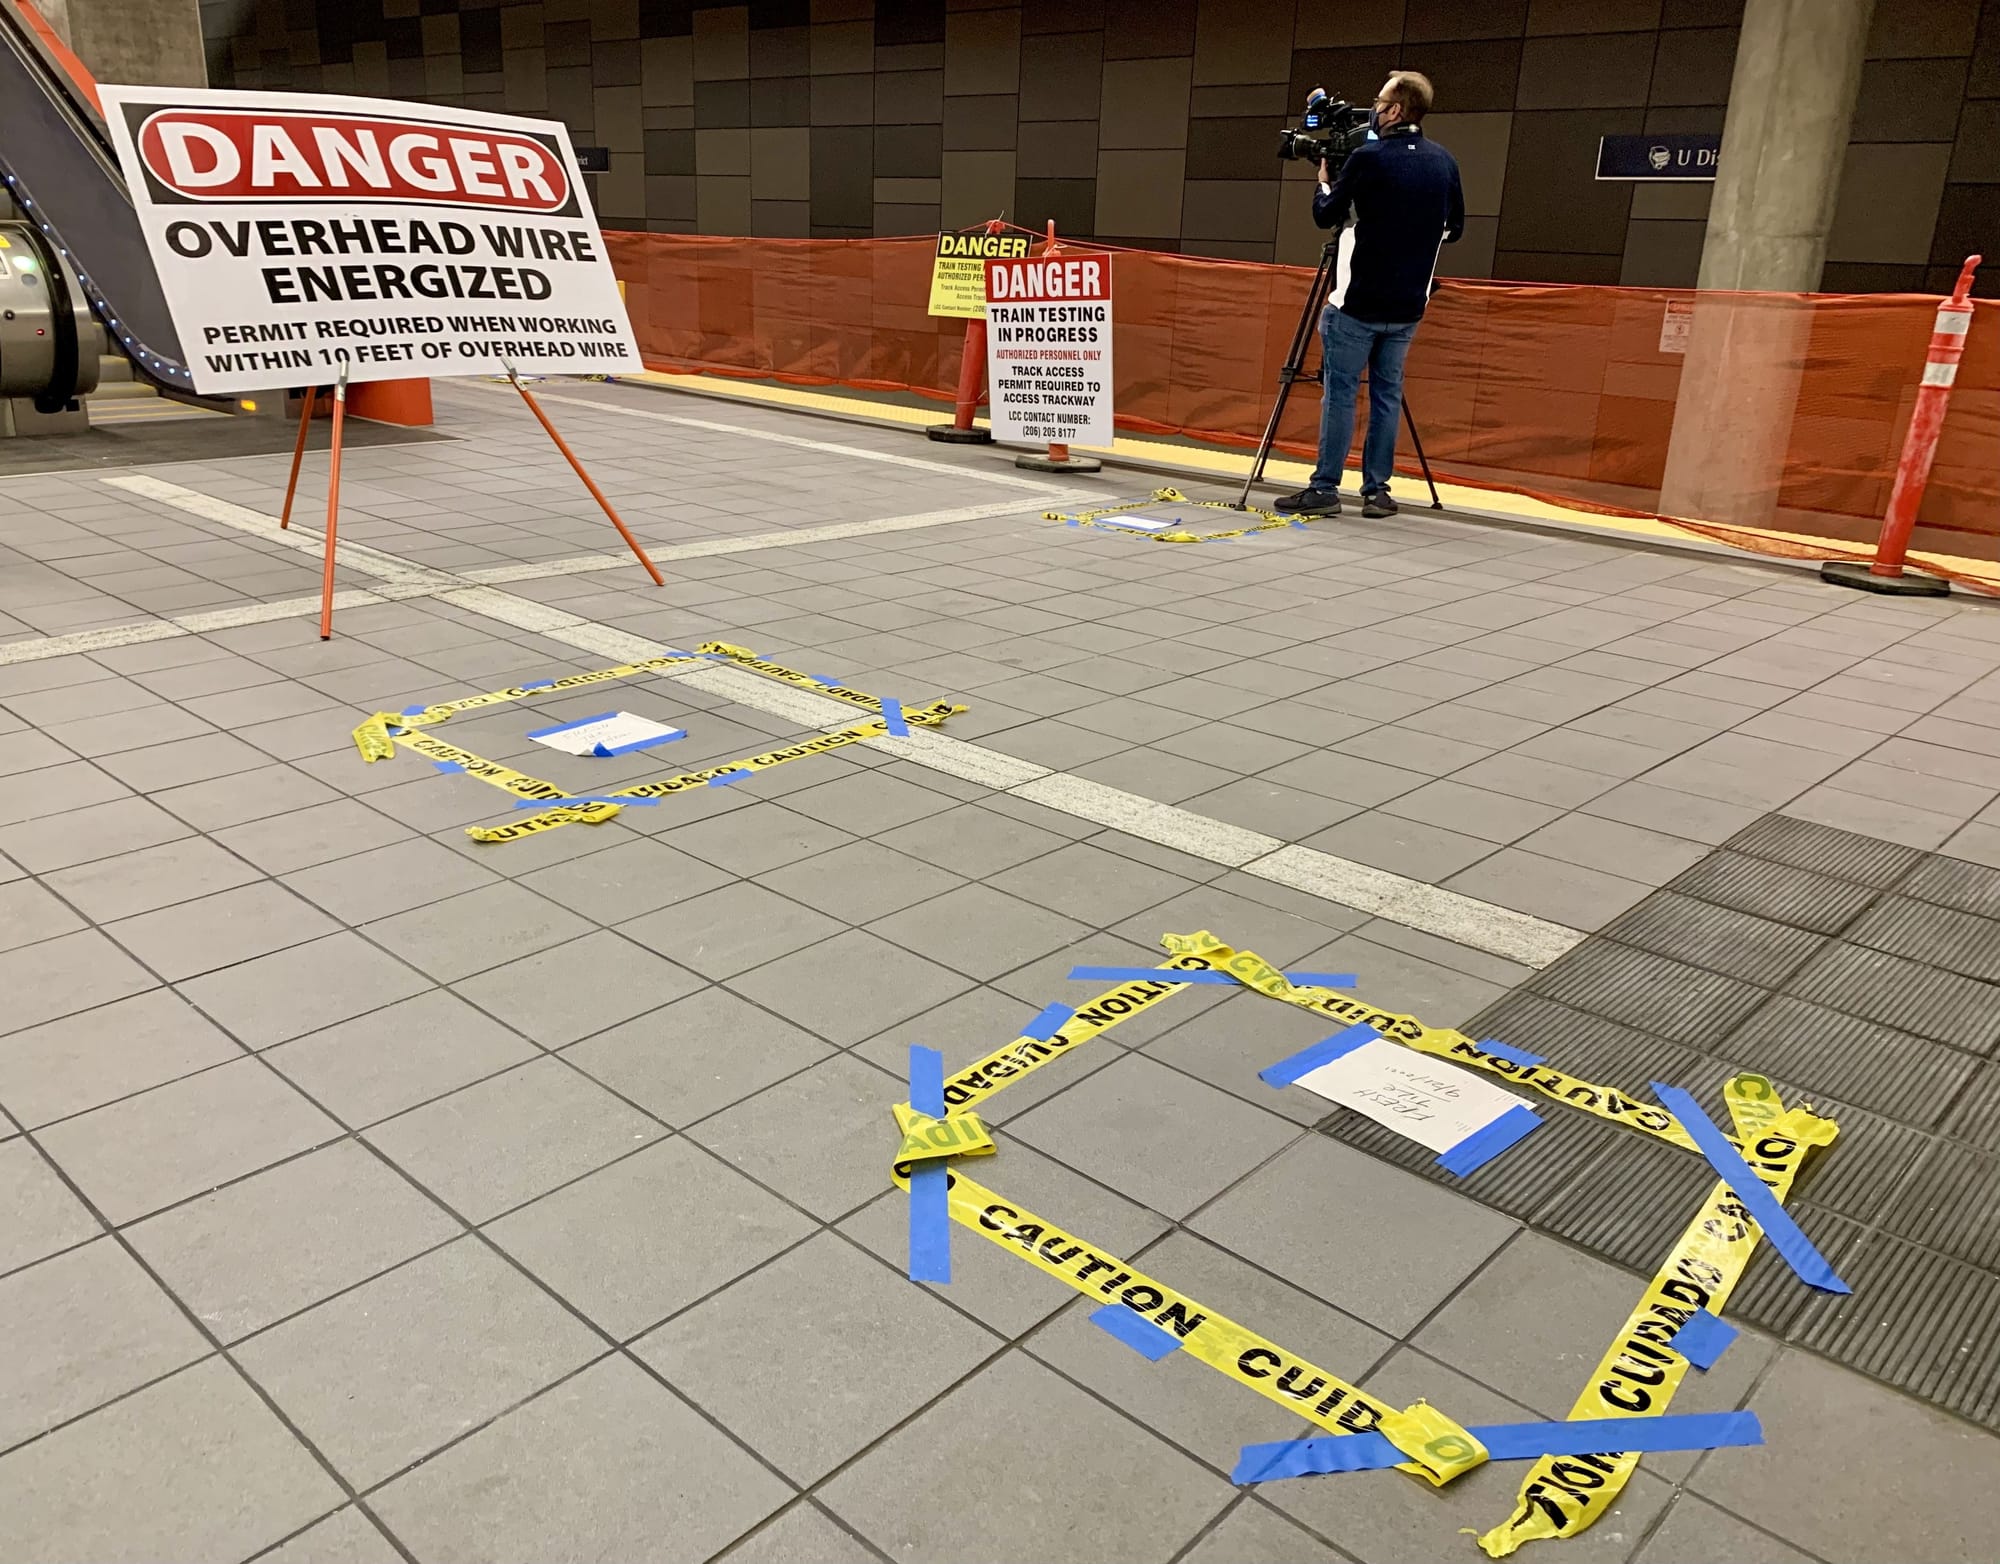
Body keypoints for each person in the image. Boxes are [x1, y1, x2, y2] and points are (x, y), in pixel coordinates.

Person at [1275, 71, 1464, 520]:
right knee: (1386, 395)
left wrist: (1324, 180)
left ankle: (1324, 489)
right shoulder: (1444, 162)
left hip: (1356, 305)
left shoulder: (1367, 158)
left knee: (1340, 395)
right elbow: (1454, 229)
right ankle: (1377, 492)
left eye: (1380, 102)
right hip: (1408, 306)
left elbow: (1327, 215)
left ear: (1396, 110)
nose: (1374, 110)